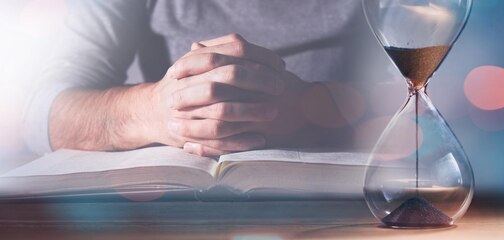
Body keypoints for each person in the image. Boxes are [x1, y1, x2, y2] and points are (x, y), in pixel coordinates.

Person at [24, 0, 388, 157]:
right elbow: (43, 115)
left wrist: (314, 109)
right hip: (169, 213)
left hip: (354, 209)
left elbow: (436, 97)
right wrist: (158, 110)